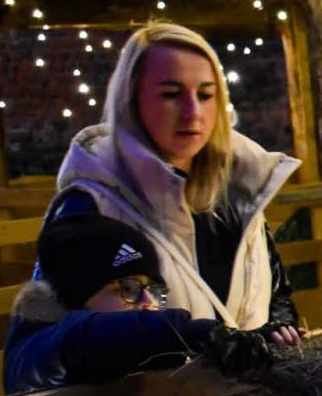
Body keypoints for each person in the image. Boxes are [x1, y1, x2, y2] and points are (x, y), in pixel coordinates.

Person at [42, 22, 303, 345]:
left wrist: (278, 327)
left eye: (205, 95)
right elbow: (47, 343)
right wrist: (188, 339)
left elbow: (274, 293)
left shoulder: (239, 193)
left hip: (253, 381)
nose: (193, 112)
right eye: (170, 94)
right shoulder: (89, 208)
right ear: (131, 100)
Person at [3, 214, 272, 392]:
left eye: (153, 289)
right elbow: (86, 337)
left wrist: (255, 342)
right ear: (76, 296)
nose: (148, 301)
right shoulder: (40, 353)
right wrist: (192, 332)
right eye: (128, 288)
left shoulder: (128, 353)